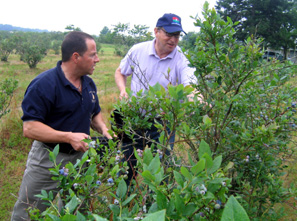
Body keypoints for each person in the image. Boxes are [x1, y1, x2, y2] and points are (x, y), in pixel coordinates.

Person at [11, 31, 112, 221]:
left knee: (76, 211)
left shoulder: (88, 83)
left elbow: (94, 113)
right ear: (76, 57)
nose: (97, 59)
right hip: (47, 160)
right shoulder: (44, 85)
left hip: (80, 160)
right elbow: (30, 128)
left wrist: (104, 130)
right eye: (92, 55)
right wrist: (68, 137)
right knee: (27, 213)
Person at [114, 13, 199, 186]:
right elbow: (120, 72)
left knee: (161, 168)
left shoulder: (181, 58)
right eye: (169, 34)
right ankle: (124, 200)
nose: (173, 40)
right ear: (156, 32)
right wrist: (123, 90)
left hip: (163, 124)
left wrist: (198, 99)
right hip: (135, 118)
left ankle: (155, 205)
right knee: (128, 164)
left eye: (177, 35)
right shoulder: (138, 51)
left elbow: (190, 84)